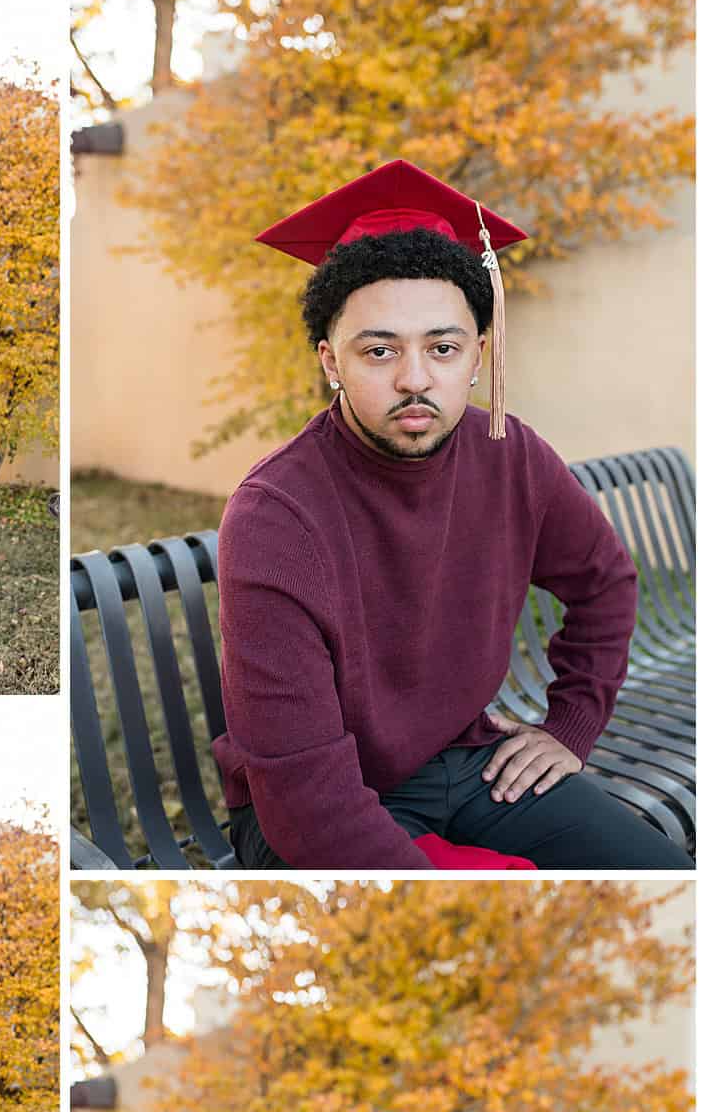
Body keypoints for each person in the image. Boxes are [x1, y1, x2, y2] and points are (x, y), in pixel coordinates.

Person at [212, 160, 691, 871]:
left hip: (471, 763)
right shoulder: (275, 518)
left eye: (442, 347)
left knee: (658, 871)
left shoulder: (511, 454)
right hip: (309, 807)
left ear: (476, 357)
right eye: (379, 350)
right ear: (330, 362)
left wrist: (571, 723)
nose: (414, 377)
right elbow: (308, 802)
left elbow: (607, 583)